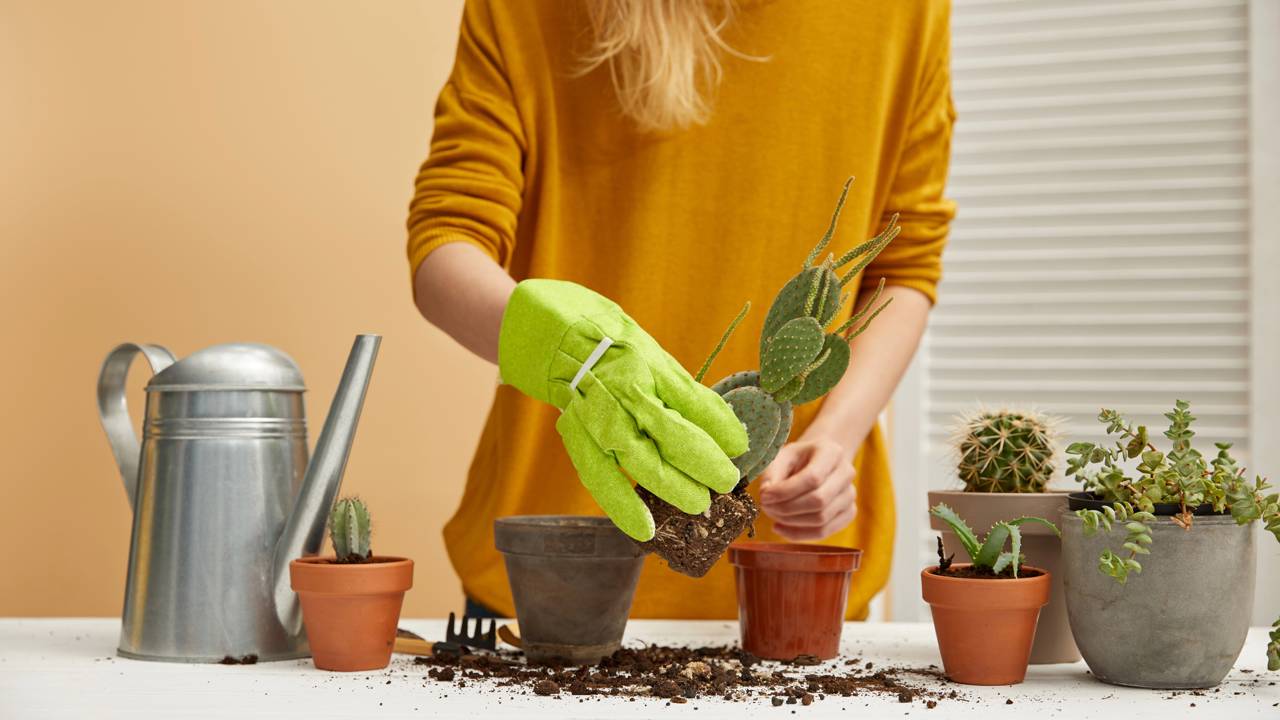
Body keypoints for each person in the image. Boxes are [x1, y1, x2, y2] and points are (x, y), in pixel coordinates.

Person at [407, 0, 955, 620]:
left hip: (791, 575)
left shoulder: (906, 12)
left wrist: (835, 439)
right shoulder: (524, 11)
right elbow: (447, 244)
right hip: (554, 567)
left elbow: (902, 268)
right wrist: (579, 357)